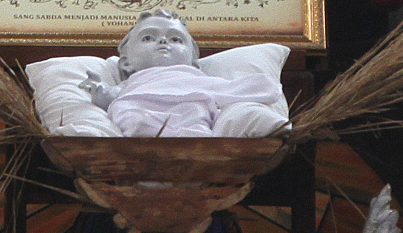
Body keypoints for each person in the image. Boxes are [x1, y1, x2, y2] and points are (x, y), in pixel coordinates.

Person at [83, 11, 288, 139]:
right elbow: (111, 98)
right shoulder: (130, 83)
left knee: (195, 128)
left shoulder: (195, 78)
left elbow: (229, 90)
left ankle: (186, 166)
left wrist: (263, 85)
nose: (163, 42)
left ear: (193, 61)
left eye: (175, 39)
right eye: (148, 38)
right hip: (137, 114)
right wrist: (99, 90)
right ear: (126, 62)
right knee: (132, 122)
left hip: (188, 116)